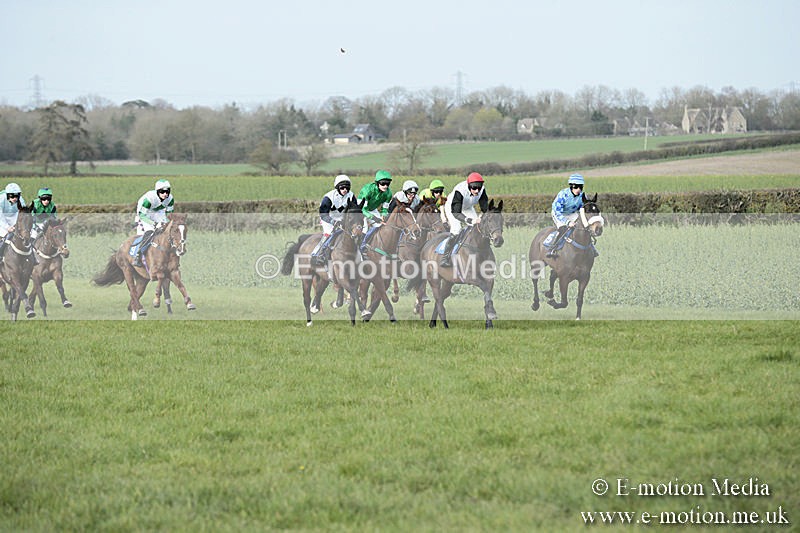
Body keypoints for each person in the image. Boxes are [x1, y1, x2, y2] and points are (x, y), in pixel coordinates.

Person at [440, 172, 489, 267]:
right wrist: (470, 221)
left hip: (467, 207)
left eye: (479, 188)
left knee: (478, 227)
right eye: (474, 188)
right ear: (469, 186)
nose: (477, 191)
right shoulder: (460, 190)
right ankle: (445, 257)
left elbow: (485, 207)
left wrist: (481, 216)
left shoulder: (481, 190)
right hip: (453, 209)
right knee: (457, 230)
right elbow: (456, 213)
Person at [311, 174, 355, 266]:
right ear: (337, 187)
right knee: (329, 233)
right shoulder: (328, 197)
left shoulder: (351, 196)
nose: (345, 190)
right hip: (328, 219)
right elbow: (323, 214)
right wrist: (333, 221)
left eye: (347, 188)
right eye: (342, 188)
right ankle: (318, 254)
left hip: (343, 220)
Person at [133, 179, 174, 266]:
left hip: (159, 211)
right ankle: (138, 255)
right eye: (162, 192)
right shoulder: (149, 199)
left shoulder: (170, 199)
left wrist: (166, 223)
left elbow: (169, 214)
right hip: (145, 214)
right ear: (157, 192)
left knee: (166, 230)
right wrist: (154, 224)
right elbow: (142, 215)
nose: (165, 194)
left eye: (167, 191)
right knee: (150, 232)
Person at [547, 173, 586, 258]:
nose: (578, 189)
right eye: (576, 187)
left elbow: (582, 209)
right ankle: (552, 249)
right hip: (559, 213)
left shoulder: (582, 196)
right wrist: (567, 222)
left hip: (572, 213)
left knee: (583, 227)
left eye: (580, 187)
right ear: (571, 186)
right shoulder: (563, 194)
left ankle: (591, 248)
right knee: (563, 229)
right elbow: (557, 212)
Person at [357, 170, 393, 253]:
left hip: (372, 209)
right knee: (365, 228)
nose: (385, 186)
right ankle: (360, 247)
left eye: (388, 183)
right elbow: (363, 209)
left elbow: (384, 208)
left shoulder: (388, 193)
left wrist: (383, 216)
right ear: (377, 183)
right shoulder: (367, 190)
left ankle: (373, 245)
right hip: (360, 209)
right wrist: (373, 217)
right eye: (383, 183)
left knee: (379, 226)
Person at [0, 183, 26, 264]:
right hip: (2, 218)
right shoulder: (1, 199)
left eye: (16, 196)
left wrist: (17, 225)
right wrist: (7, 227)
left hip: (14, 218)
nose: (15, 198)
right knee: (5, 236)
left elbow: (23, 213)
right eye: (12, 196)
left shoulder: (20, 200)